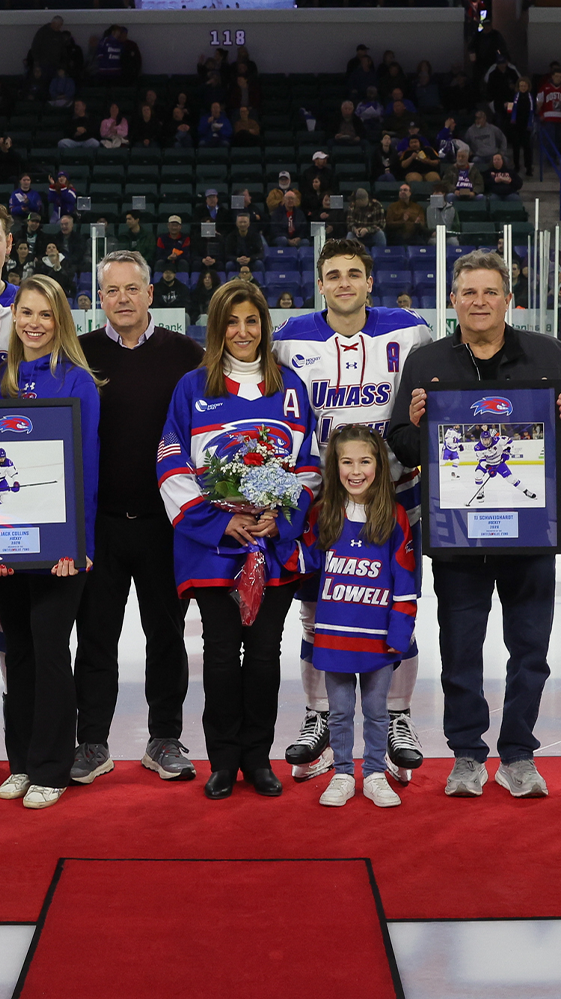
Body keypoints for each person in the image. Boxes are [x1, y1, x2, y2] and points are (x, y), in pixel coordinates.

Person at [386, 250, 561, 798]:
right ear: (453, 300)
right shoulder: (428, 361)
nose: (480, 302)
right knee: (460, 649)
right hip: (459, 536)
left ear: (508, 298)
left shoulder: (546, 353)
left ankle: (519, 754)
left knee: (530, 649)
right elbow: (402, 443)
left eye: (490, 292)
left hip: (531, 534)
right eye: (469, 293)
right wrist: (415, 424)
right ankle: (467, 755)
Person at [275, 238, 432, 783]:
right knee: (319, 607)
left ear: (370, 281)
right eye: (334, 274)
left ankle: (396, 718)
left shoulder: (410, 329)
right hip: (322, 497)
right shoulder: (290, 338)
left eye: (354, 274)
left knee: (396, 599)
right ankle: (321, 715)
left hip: (395, 491)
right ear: (321, 283)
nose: (344, 283)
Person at [160, 279, 321, 799]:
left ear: (264, 326)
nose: (242, 331)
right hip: (215, 547)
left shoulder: (290, 387)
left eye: (252, 321)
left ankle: (258, 757)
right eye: (232, 321)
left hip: (271, 546)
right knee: (223, 652)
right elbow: (171, 465)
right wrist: (220, 521)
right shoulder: (192, 386)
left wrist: (281, 515)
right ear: (216, 328)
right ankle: (223, 760)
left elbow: (310, 467)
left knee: (267, 653)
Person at [70, 252, 203, 785]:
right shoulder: (79, 355)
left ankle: (164, 738)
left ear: (151, 294)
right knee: (95, 636)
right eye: (111, 291)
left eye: (132, 289)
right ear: (98, 299)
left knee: (166, 636)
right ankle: (91, 743)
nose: (121, 299)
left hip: (163, 524)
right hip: (100, 522)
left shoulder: (187, 354)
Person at [0, 274, 103, 810]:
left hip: (59, 552)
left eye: (45, 314)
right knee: (18, 655)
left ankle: (53, 765)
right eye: (25, 312)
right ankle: (22, 762)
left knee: (51, 651)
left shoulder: (78, 382)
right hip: (5, 550)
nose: (33, 323)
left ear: (61, 322)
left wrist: (77, 544)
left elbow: (87, 468)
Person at [301, 425, 417, 809]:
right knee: (339, 713)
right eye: (346, 461)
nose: (355, 470)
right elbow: (305, 562)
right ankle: (342, 774)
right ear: (334, 467)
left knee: (376, 711)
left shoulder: (394, 516)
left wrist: (400, 634)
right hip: (334, 636)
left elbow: (405, 582)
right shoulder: (323, 514)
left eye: (365, 461)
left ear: (379, 466)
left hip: (377, 637)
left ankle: (373, 774)